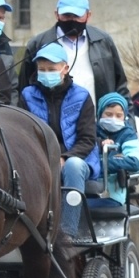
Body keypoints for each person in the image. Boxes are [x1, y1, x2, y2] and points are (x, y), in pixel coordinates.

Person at [21, 43, 96, 243]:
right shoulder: (27, 95)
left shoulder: (82, 97)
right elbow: (24, 133)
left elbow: (88, 139)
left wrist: (64, 158)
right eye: (42, 70)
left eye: (52, 70)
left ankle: (67, 232)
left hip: (77, 158)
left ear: (65, 69)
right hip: (39, 157)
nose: (46, 74)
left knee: (73, 166)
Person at [16, 0, 128, 103]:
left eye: (77, 16)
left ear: (88, 15)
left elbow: (121, 86)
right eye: (67, 15)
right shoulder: (38, 44)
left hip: (96, 118)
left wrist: (127, 118)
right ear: (57, 14)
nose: (72, 20)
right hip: (48, 118)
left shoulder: (103, 42)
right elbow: (23, 88)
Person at [89, 92, 139, 210]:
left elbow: (134, 162)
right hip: (86, 191)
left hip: (112, 196)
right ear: (99, 114)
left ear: (125, 116)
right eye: (108, 114)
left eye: (118, 115)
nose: (113, 119)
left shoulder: (128, 135)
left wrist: (103, 164)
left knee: (78, 208)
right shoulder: (90, 131)